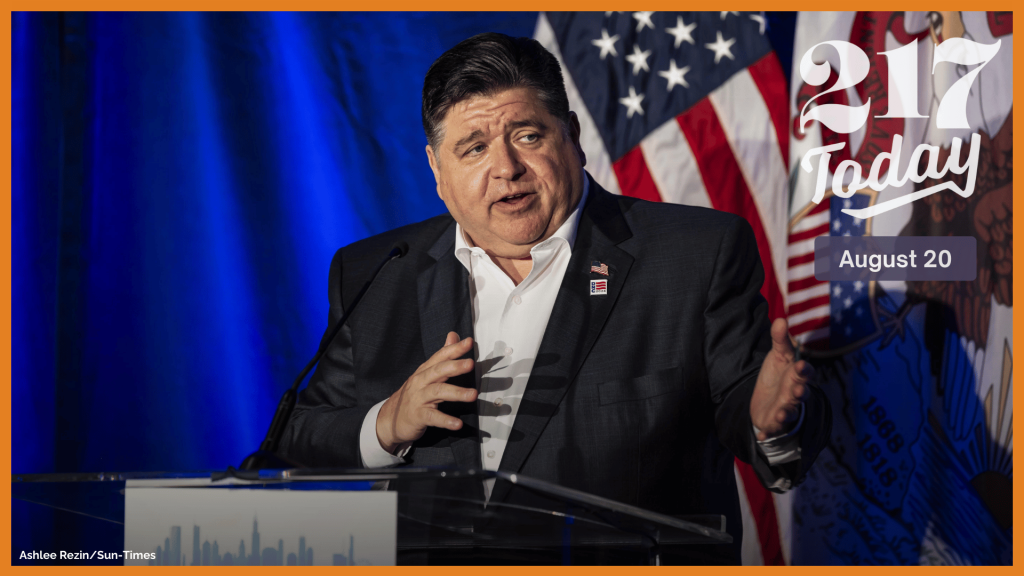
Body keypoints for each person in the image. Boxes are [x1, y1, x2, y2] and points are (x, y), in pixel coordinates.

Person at [280, 32, 831, 555]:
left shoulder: (694, 256)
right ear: (436, 169)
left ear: (572, 134)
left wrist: (770, 421)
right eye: (473, 148)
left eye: (527, 135)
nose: (506, 169)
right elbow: (298, 439)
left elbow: (751, 412)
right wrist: (387, 423)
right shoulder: (377, 272)